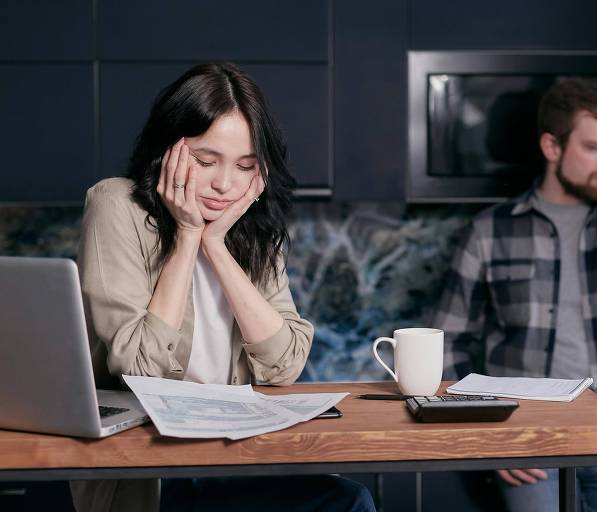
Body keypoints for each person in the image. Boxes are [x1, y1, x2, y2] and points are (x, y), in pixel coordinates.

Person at [71, 62, 375, 512]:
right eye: (204, 161)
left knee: (348, 501)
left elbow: (283, 365)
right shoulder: (116, 205)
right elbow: (140, 368)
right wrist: (188, 236)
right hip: (151, 471)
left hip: (236, 458)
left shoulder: (249, 226)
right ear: (168, 151)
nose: (224, 183)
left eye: (244, 166)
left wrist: (215, 244)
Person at [433, 77, 597, 511]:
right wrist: (488, 434)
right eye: (595, 147)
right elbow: (447, 343)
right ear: (552, 147)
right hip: (530, 445)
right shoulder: (490, 231)